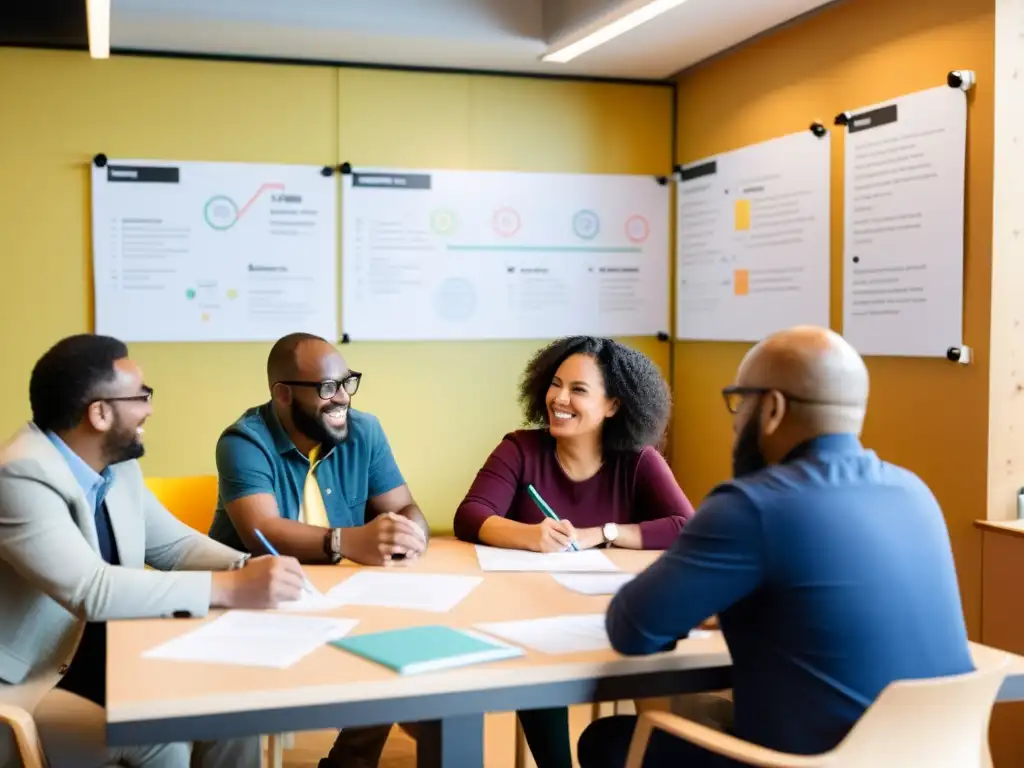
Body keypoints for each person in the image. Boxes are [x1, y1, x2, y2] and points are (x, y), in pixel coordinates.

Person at [577, 325, 975, 767]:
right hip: (935, 755)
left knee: (609, 742)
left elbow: (632, 628)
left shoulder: (754, 505)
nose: (734, 420)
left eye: (739, 401)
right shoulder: (914, 492)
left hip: (808, 763)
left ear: (771, 409)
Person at [0, 334, 307, 768]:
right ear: (100, 413)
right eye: (141, 395)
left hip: (114, 659)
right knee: (164, 740)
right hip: (34, 683)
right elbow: (92, 589)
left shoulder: (116, 464)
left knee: (236, 711)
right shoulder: (19, 477)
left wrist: (252, 565)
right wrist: (234, 586)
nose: (150, 408)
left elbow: (176, 546)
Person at [454, 335, 696, 768]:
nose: (559, 399)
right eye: (555, 384)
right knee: (538, 659)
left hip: (612, 615)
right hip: (534, 615)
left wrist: (603, 532)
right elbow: (471, 514)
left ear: (613, 406)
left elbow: (685, 527)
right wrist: (529, 535)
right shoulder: (520, 448)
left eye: (578, 390)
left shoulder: (639, 462)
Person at [208, 332, 429, 768]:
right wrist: (348, 541)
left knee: (400, 647)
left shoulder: (366, 430)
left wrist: (409, 535)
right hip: (257, 601)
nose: (342, 397)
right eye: (328, 388)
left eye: (347, 383)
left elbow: (403, 506)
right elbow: (261, 532)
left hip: (345, 597)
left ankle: (349, 762)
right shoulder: (243, 441)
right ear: (284, 394)